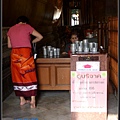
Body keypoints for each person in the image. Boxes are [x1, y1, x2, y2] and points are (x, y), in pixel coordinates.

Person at [7, 16, 43, 108]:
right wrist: (31, 42)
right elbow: (40, 37)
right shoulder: (27, 27)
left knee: (17, 76)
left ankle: (22, 100)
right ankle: (32, 101)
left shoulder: (10, 29)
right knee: (30, 75)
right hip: (26, 53)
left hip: (15, 54)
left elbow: (9, 45)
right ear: (25, 22)